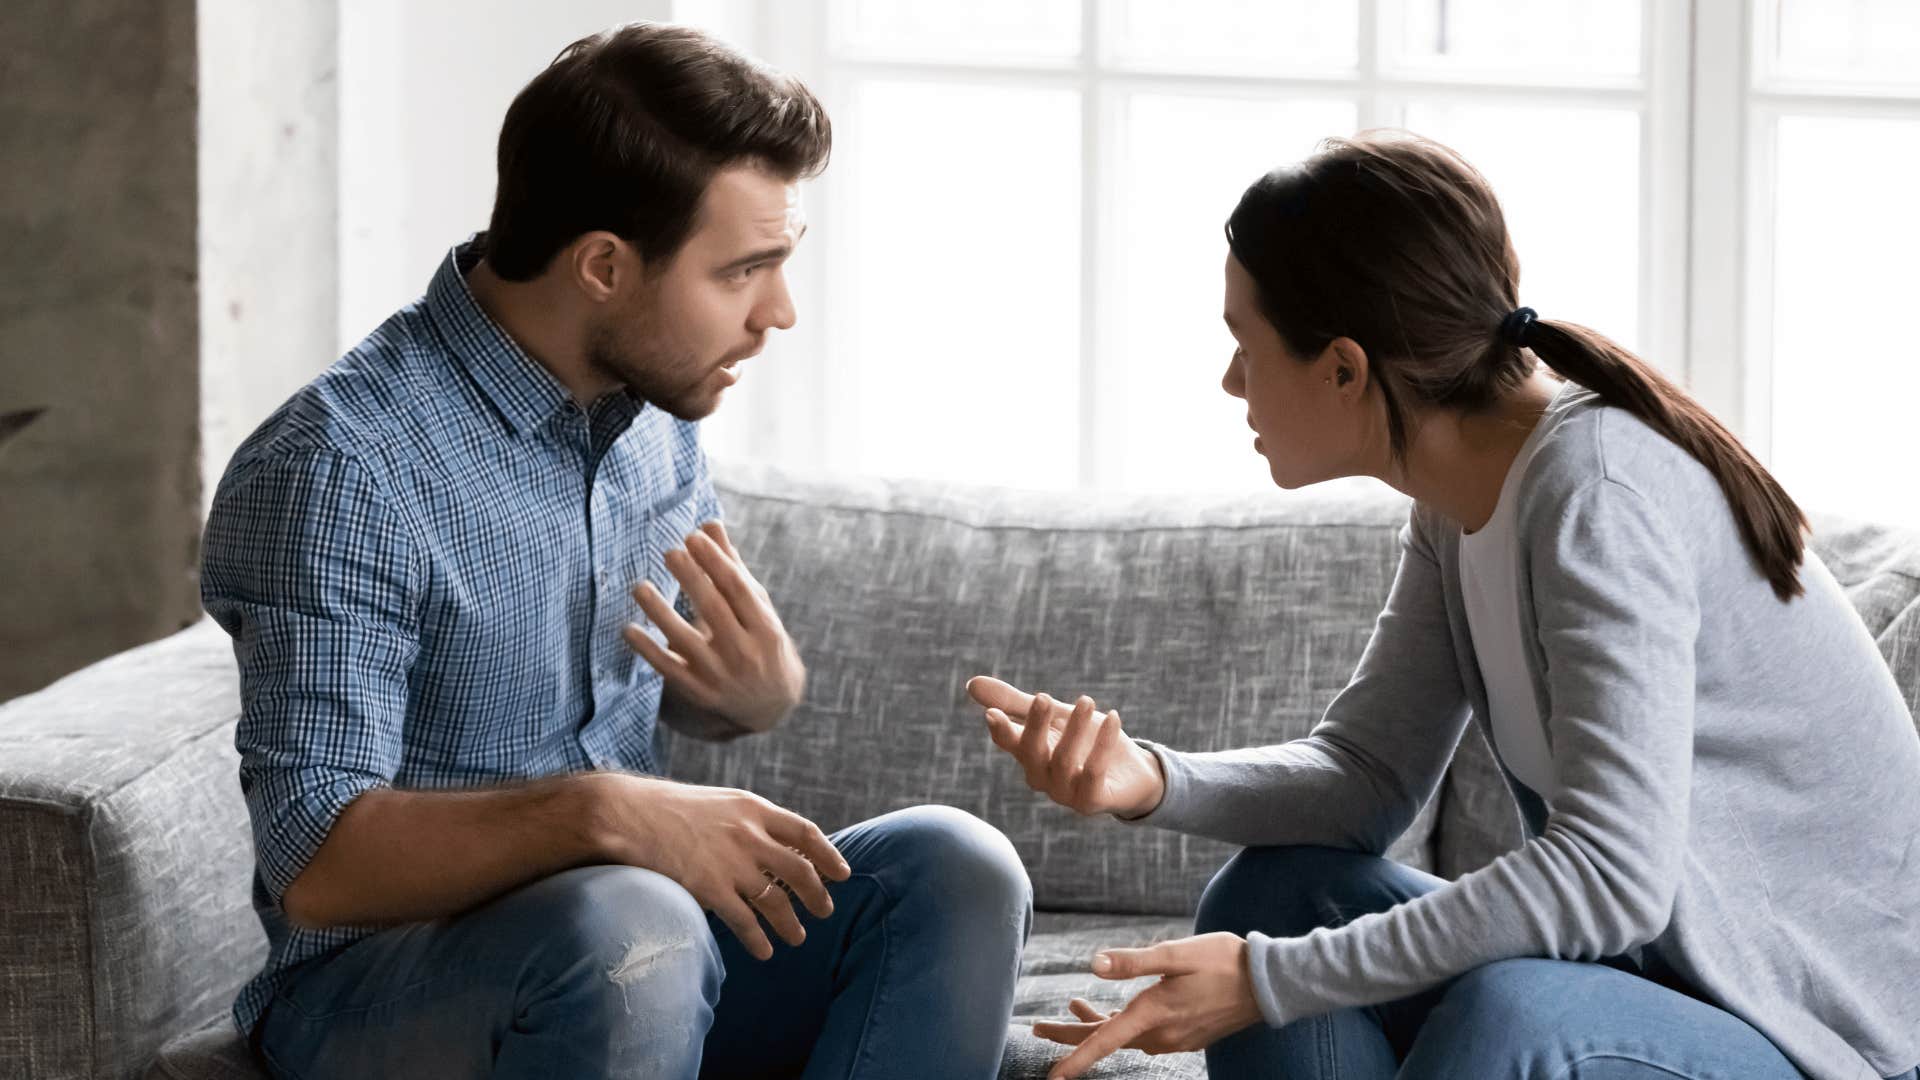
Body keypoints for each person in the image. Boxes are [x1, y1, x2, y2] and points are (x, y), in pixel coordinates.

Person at [967, 130, 1920, 1080]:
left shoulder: (1598, 493)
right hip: (1669, 991)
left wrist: (1268, 981)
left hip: (1832, 1043)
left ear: (1343, 367)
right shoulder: (1456, 501)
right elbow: (1366, 776)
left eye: (1243, 346)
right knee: (1273, 894)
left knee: (1515, 1016)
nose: (1230, 383)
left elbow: (1611, 879)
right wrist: (1152, 780)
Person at [202, 22, 1029, 1080]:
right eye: (743, 272)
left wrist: (749, 696)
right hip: (385, 988)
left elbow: (606, 690)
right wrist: (608, 815)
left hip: (645, 959)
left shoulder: (650, 408)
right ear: (603, 265)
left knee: (955, 868)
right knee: (633, 921)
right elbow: (315, 862)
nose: (777, 313)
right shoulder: (341, 470)